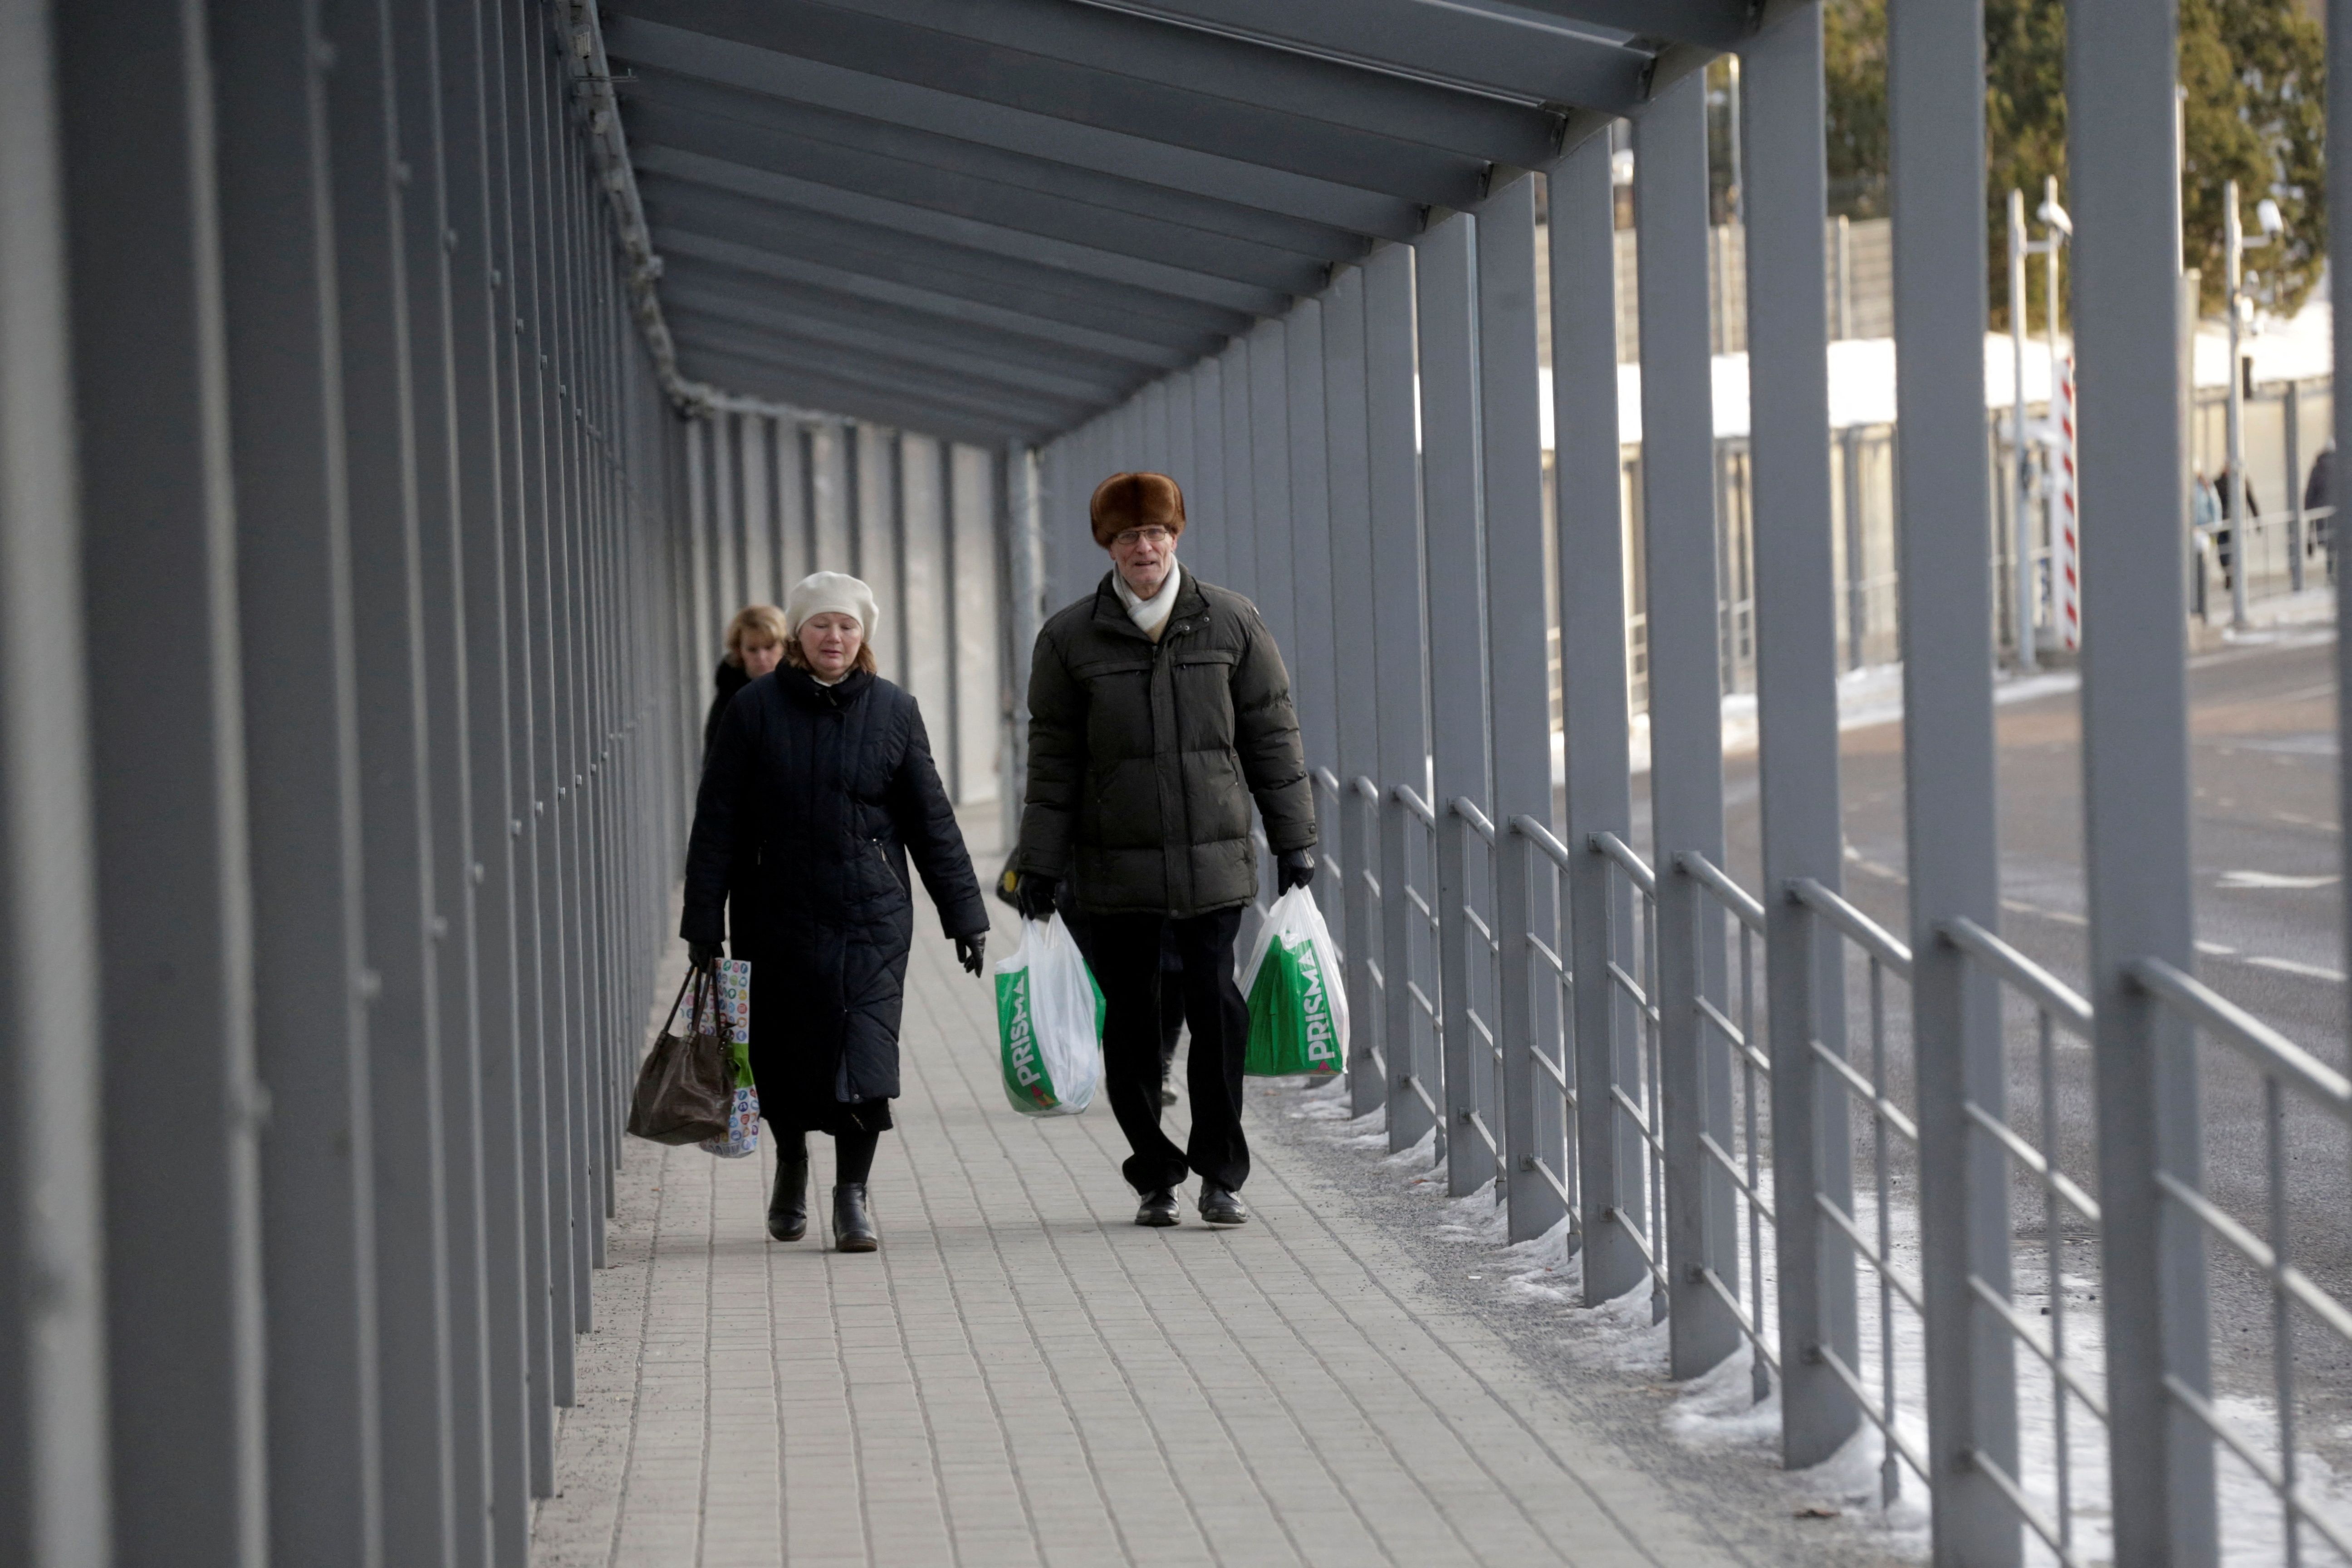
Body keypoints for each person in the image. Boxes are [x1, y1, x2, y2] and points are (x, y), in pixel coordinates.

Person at [1009, 472, 1316, 1229]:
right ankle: (1153, 1170)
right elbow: (1051, 767)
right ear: (1106, 547)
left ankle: (1219, 1173)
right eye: (1126, 536)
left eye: (1154, 533)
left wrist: (1294, 842)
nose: (1142, 548)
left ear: (1175, 537)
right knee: (1133, 1028)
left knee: (1216, 1016)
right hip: (1113, 871)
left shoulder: (1230, 622)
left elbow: (1272, 739)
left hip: (1213, 865)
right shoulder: (1069, 638)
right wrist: (1038, 865)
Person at [682, 572, 989, 1253]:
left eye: (847, 626)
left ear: (863, 636)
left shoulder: (894, 710)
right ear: (798, 634)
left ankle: (853, 1196)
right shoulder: (754, 711)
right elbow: (719, 822)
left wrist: (965, 915)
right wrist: (703, 919)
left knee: (865, 1054)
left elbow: (930, 820)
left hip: (871, 915)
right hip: (775, 910)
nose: (835, 637)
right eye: (821, 624)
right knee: (783, 1055)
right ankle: (791, 1163)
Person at [704, 604, 788, 765]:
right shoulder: (730, 698)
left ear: (784, 647)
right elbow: (716, 763)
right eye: (752, 650)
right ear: (739, 650)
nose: (762, 657)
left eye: (769, 647)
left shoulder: (806, 689)